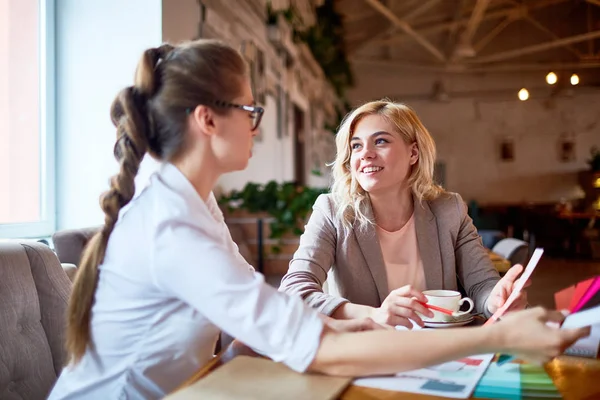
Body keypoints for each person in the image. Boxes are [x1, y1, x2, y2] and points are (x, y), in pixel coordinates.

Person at [48, 40, 588, 400]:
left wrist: (349, 322)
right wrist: (496, 339)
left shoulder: (194, 203)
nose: (256, 127)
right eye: (250, 112)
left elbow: (264, 313)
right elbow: (309, 335)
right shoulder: (172, 223)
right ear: (208, 119)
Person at [279, 100, 529, 329]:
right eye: (356, 145)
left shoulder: (449, 210)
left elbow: (482, 284)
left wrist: (496, 299)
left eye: (380, 141)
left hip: (436, 351)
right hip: (365, 352)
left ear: (413, 153)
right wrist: (372, 315)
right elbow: (293, 291)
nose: (365, 153)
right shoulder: (332, 211)